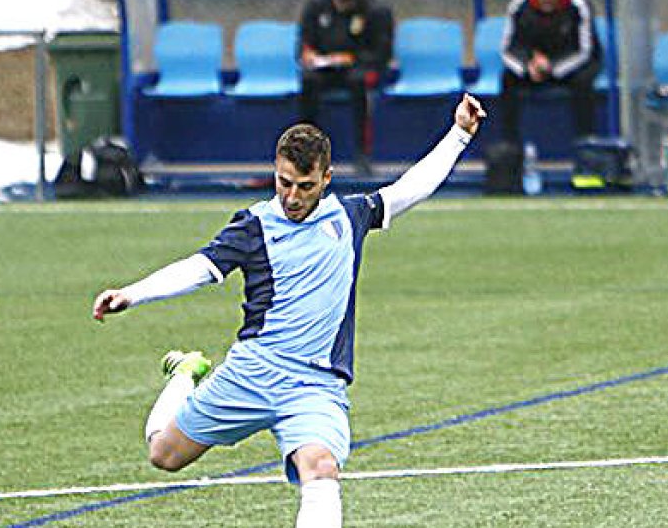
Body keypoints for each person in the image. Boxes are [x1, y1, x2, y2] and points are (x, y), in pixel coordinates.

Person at [91, 94, 486, 528]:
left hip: (315, 386)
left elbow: (412, 188)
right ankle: (186, 372)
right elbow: (200, 268)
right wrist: (133, 294)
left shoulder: (351, 216)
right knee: (163, 456)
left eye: (305, 186)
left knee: (320, 468)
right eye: (283, 183)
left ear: (327, 178)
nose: (292, 197)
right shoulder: (254, 225)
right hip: (252, 373)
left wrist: (459, 134)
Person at [298, 0, 394, 176]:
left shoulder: (376, 12)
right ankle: (305, 153)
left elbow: (382, 53)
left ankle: (362, 155)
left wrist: (352, 58)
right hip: (324, 69)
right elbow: (304, 44)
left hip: (357, 69)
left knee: (360, 83)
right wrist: (309, 55)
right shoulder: (317, 6)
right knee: (308, 81)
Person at [498, 0, 603, 145]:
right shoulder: (519, 4)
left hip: (572, 64)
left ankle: (586, 143)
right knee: (508, 79)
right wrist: (527, 67)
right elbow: (508, 49)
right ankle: (510, 147)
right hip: (534, 64)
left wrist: (552, 67)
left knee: (583, 82)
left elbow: (585, 50)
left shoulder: (578, 5)